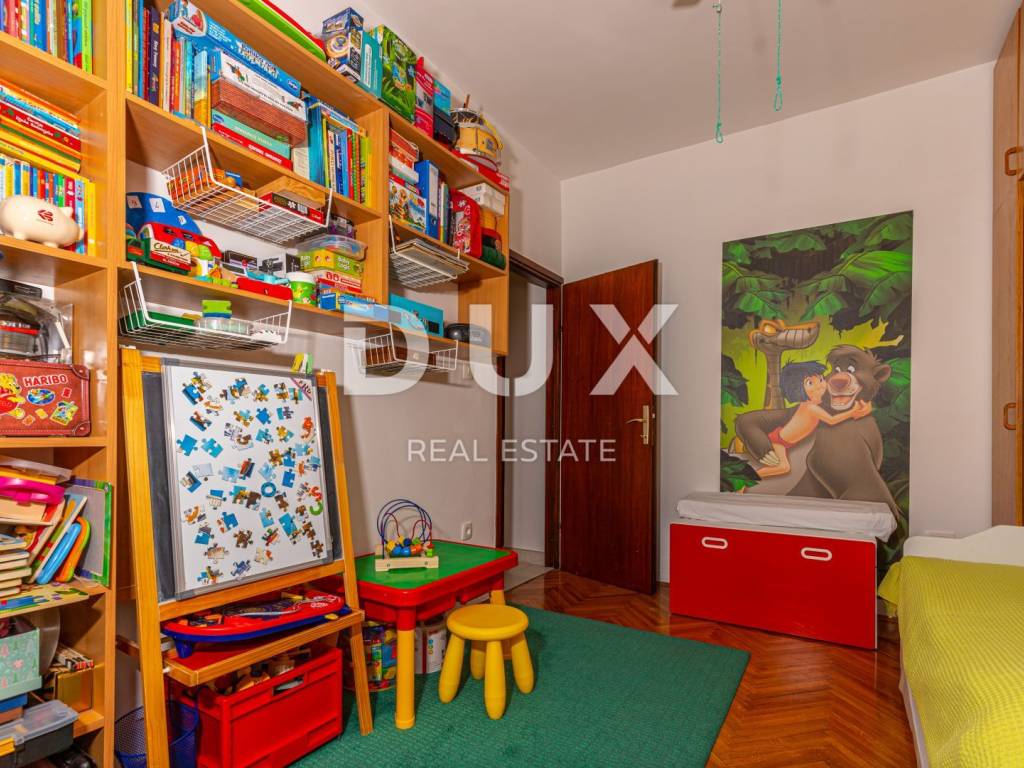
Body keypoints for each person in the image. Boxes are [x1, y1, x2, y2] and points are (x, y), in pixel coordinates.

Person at [756, 361, 871, 479]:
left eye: (821, 379)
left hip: (784, 440)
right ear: (798, 388)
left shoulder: (814, 403)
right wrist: (853, 412)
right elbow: (831, 420)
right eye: (810, 383)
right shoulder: (811, 408)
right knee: (784, 467)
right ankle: (748, 477)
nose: (819, 385)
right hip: (779, 441)